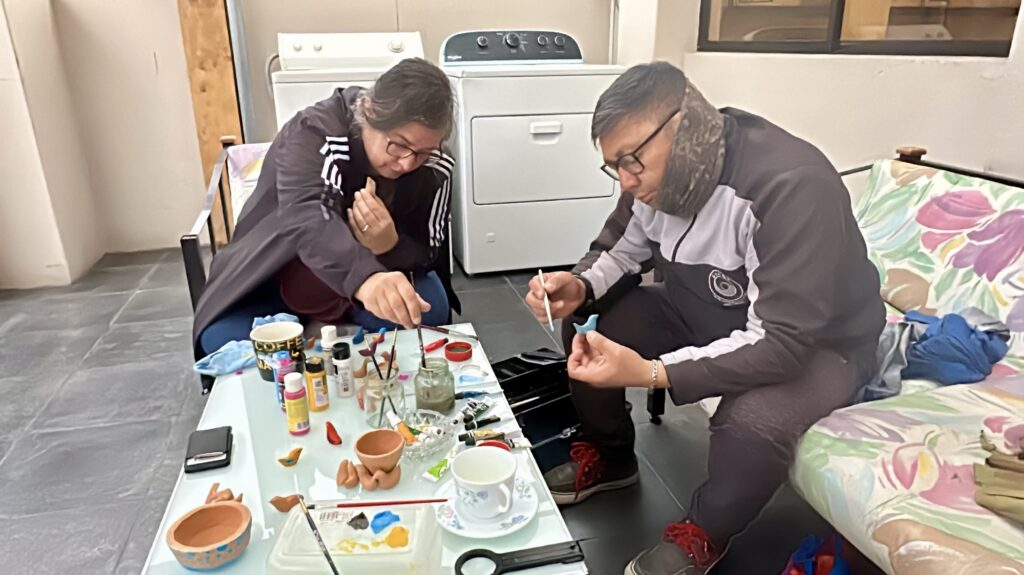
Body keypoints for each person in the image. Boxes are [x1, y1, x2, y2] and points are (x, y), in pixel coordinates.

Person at [525, 62, 884, 574]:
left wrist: (652, 372)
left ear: (686, 125)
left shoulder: (790, 184)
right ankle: (612, 456)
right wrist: (578, 285)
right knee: (590, 325)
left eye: (632, 161)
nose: (626, 182)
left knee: (752, 420)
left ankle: (706, 531)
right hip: (707, 309)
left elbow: (781, 343)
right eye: (614, 167)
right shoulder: (656, 181)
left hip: (820, 345)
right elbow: (620, 250)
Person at [193, 58, 456, 357]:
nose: (408, 163)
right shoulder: (314, 132)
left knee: (429, 310)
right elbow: (308, 219)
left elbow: (430, 250)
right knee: (223, 340)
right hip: (277, 273)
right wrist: (366, 279)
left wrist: (391, 246)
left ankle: (323, 333)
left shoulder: (436, 163)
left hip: (373, 274)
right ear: (369, 111)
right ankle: (325, 331)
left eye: (422, 152)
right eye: (399, 145)